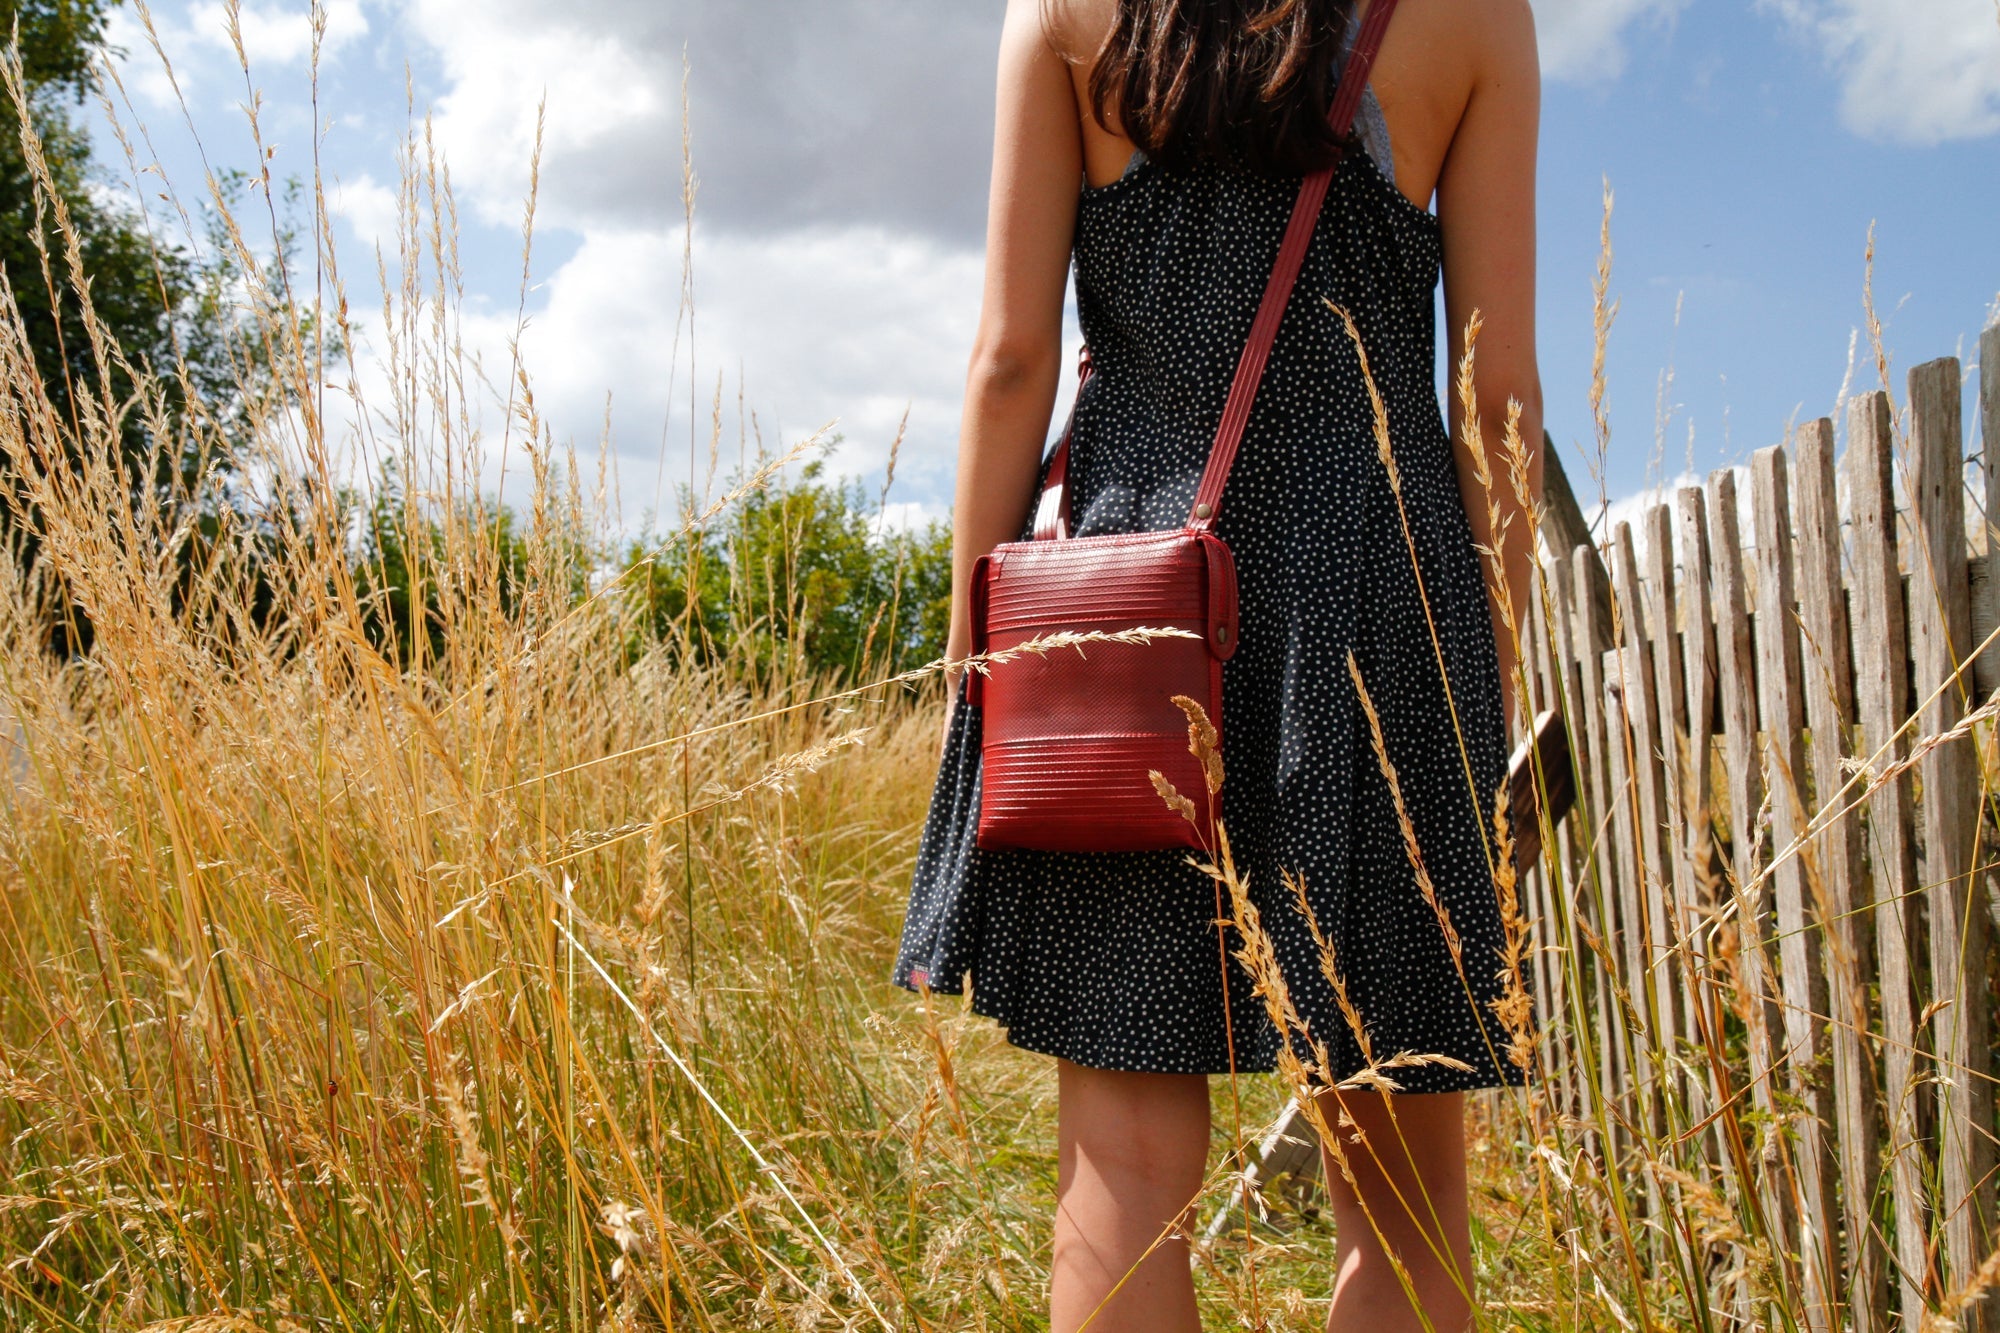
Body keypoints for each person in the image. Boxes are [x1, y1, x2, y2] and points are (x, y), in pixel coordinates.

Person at [894, 0, 1542, 1328]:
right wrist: (1493, 666)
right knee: (1405, 1202)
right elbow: (1496, 396)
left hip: (1127, 636)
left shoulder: (1060, 11)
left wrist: (976, 646)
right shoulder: (1476, 15)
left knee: (1121, 1177)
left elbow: (1010, 361)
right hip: (1383, 615)